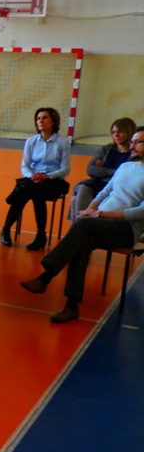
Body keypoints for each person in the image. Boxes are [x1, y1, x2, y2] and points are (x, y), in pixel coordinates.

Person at [20, 129, 144, 323]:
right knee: (82, 243)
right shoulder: (126, 166)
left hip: (126, 229)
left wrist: (101, 214)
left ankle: (46, 277)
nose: (132, 145)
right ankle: (71, 306)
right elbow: (105, 191)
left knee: (83, 226)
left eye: (138, 142)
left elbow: (141, 212)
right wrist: (90, 209)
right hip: (101, 222)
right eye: (133, 141)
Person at [1, 107, 71, 250]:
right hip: (34, 178)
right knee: (23, 190)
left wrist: (47, 176)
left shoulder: (63, 142)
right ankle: (6, 229)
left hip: (54, 180)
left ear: (53, 122)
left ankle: (40, 235)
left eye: (45, 118)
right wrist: (32, 176)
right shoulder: (31, 141)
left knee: (36, 191)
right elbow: (24, 166)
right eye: (38, 118)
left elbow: (65, 169)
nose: (40, 121)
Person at [69, 117, 135, 219]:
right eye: (113, 132)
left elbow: (127, 175)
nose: (116, 135)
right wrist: (117, 171)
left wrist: (103, 170)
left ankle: (83, 223)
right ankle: (82, 221)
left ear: (129, 132)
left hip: (116, 187)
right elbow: (91, 170)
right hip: (98, 184)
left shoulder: (133, 153)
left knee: (75, 200)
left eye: (120, 132)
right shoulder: (106, 149)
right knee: (83, 188)